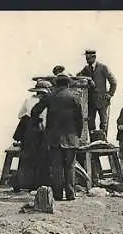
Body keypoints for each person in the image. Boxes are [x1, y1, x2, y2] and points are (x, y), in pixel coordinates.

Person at [31, 73, 83, 201]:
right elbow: (80, 118)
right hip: (71, 137)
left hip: (53, 137)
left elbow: (34, 111)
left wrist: (37, 123)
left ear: (56, 83)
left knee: (56, 166)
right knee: (70, 166)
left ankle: (57, 194)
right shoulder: (75, 96)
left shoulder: (49, 96)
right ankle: (71, 194)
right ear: (68, 83)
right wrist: (78, 135)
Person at [11, 80, 53, 191]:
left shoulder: (28, 101)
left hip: (29, 131)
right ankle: (38, 183)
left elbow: (20, 115)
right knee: (41, 158)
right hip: (42, 131)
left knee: (27, 158)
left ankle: (23, 182)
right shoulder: (48, 102)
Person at [77, 49, 117, 136]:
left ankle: (103, 140)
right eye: (86, 58)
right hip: (90, 100)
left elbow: (113, 82)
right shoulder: (86, 68)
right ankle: (93, 140)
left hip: (102, 99)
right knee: (90, 122)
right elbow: (78, 76)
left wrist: (110, 94)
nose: (87, 60)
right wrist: (88, 79)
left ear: (94, 57)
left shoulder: (103, 67)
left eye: (88, 58)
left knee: (104, 122)